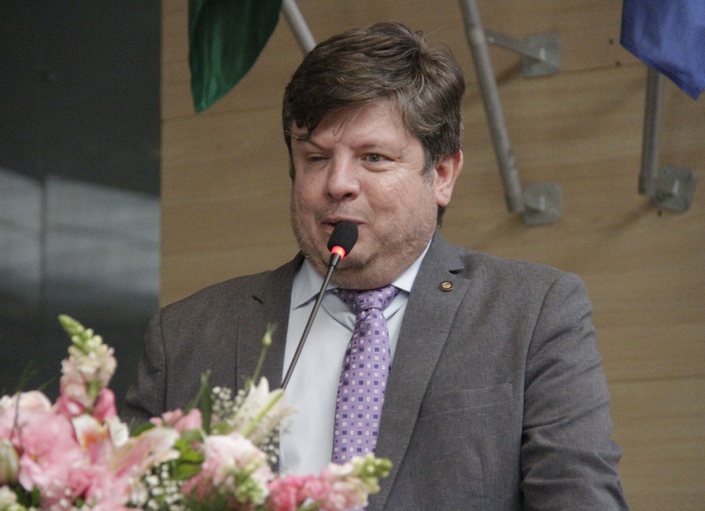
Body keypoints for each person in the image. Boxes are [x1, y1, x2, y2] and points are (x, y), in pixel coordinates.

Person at [125, 22, 628, 510]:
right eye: (316, 158)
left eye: (373, 158)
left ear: (442, 175)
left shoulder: (533, 312)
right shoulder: (186, 336)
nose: (338, 183)